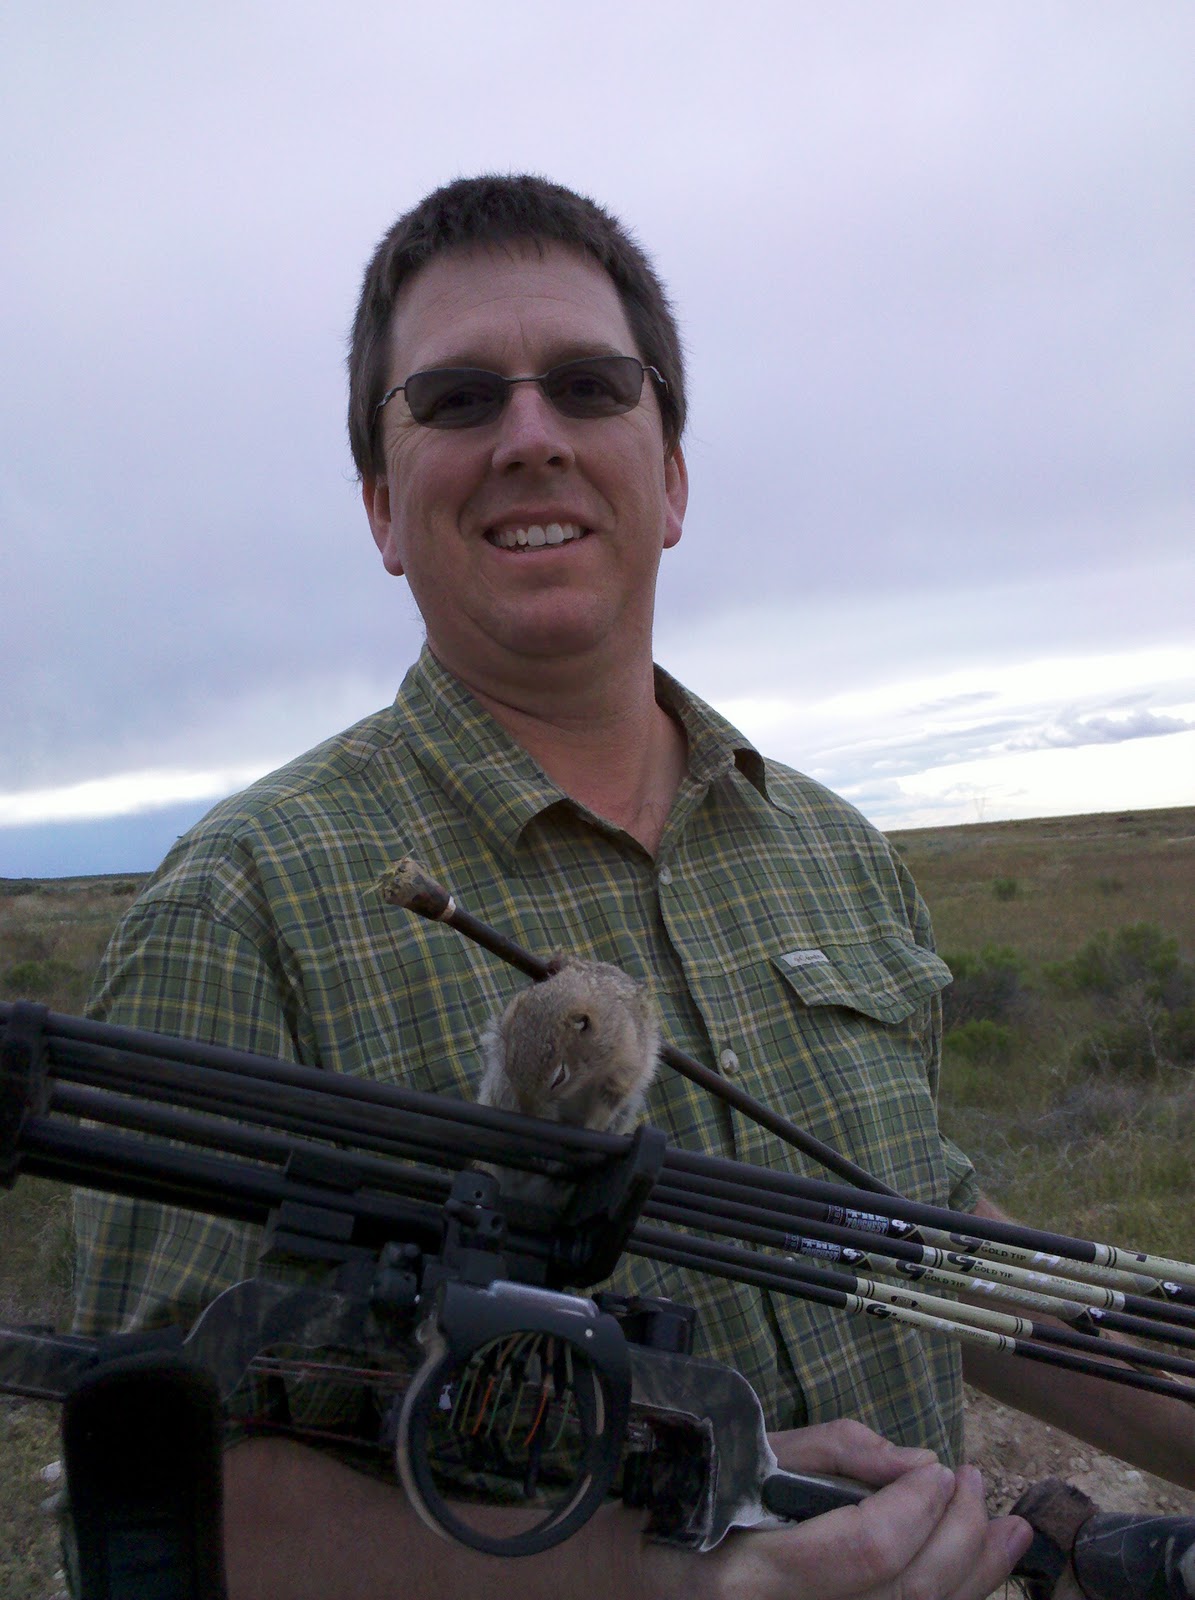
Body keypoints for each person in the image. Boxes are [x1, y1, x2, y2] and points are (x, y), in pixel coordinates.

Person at [73, 175, 1191, 1600]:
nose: (529, 436)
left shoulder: (832, 849)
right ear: (379, 504)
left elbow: (938, 1244)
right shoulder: (240, 909)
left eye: (590, 387)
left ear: (668, 475)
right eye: (460, 400)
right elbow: (156, 1500)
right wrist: (675, 1580)